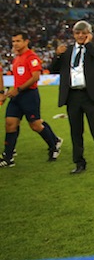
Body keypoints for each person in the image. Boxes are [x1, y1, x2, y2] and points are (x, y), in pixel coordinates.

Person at [48, 21, 94, 174]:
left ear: (89, 34)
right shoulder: (67, 51)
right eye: (78, 33)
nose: (81, 36)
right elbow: (52, 69)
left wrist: (89, 45)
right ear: (73, 34)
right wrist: (57, 55)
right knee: (76, 132)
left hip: (90, 96)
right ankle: (79, 163)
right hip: (72, 96)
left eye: (84, 33)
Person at [0, 32, 63, 168]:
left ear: (26, 42)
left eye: (18, 41)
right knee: (10, 123)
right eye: (13, 41)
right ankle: (8, 157)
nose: (15, 44)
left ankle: (54, 146)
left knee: (35, 125)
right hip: (17, 95)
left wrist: (18, 89)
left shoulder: (32, 57)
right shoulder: (17, 58)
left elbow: (35, 77)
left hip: (29, 95)